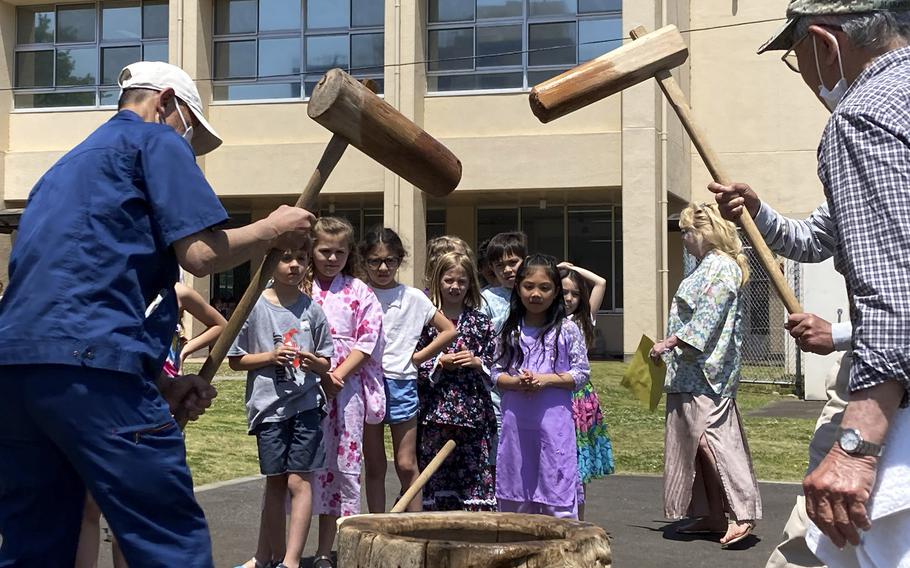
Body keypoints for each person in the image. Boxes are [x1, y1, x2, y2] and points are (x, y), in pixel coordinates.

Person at [0, 61, 314, 565]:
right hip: (98, 369)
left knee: (35, 542)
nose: (187, 146)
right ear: (165, 101)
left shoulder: (61, 169)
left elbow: (83, 281)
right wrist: (273, 229)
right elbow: (202, 255)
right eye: (188, 130)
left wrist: (160, 384)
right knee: (166, 537)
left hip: (18, 374)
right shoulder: (156, 139)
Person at [753, 2, 910, 563]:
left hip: (894, 412)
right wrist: (755, 211)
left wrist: (856, 446)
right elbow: (814, 238)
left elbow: (897, 286)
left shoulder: (863, 117)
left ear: (824, 42)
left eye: (799, 62)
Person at [710, 183, 853, 568]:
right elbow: (807, 240)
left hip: (892, 375)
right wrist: (756, 213)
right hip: (860, 374)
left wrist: (837, 334)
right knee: (818, 506)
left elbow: (897, 311)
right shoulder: (852, 182)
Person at [77, 280, 228, 568]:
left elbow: (219, 324)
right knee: (89, 504)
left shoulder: (175, 292)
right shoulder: (116, 284)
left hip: (155, 403)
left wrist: (184, 351)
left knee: (133, 504)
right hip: (109, 398)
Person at [650, 203, 761, 548]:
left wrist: (670, 341)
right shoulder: (705, 268)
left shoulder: (721, 267)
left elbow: (708, 318)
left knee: (711, 440)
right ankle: (713, 514)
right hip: (689, 372)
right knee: (694, 444)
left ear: (704, 232)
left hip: (708, 373)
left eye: (686, 232)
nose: (683, 239)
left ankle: (742, 511)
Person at [227, 248, 334, 568]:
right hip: (268, 409)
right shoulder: (252, 308)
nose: (295, 265)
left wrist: (315, 363)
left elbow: (326, 360)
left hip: (306, 405)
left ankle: (291, 561)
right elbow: (235, 360)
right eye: (286, 258)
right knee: (275, 481)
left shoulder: (312, 311)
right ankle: (272, 556)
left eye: (301, 259)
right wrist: (270, 357)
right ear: (269, 263)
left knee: (299, 481)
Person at [304, 217, 385, 568]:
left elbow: (368, 339)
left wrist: (337, 373)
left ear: (349, 252)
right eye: (324, 250)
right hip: (304, 385)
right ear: (312, 249)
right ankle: (288, 548)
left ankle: (335, 547)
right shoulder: (300, 286)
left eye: (339, 251)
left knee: (343, 467)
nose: (332, 258)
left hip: (346, 387)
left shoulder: (359, 290)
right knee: (308, 467)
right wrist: (318, 371)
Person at [360, 227, 456, 513]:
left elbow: (448, 330)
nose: (382, 267)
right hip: (368, 382)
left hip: (402, 382)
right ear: (364, 261)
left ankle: (414, 528)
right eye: (375, 261)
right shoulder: (359, 293)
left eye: (390, 260)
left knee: (406, 463)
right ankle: (376, 525)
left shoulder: (413, 297)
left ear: (400, 260)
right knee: (375, 464)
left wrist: (418, 358)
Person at [492, 254, 591, 519]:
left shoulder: (567, 329)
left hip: (553, 425)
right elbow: (495, 372)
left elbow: (581, 373)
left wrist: (545, 380)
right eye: (529, 286)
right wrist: (515, 382)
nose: (536, 294)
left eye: (544, 288)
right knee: (516, 492)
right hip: (516, 424)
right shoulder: (508, 329)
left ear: (556, 291)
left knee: (555, 484)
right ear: (518, 288)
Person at [417, 251, 497, 511]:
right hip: (434, 412)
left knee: (472, 474)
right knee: (433, 471)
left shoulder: (482, 323)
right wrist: (439, 362)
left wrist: (477, 362)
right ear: (438, 281)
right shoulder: (425, 322)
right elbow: (411, 362)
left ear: (470, 284)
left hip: (473, 413)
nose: (455, 287)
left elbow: (497, 365)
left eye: (461, 282)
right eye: (449, 280)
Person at [558, 262, 615, 521]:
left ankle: (578, 519)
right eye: (563, 292)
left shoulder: (583, 318)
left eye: (575, 293)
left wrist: (571, 268)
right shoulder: (546, 319)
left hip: (579, 398)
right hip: (556, 392)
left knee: (578, 465)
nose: (568, 298)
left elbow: (601, 281)